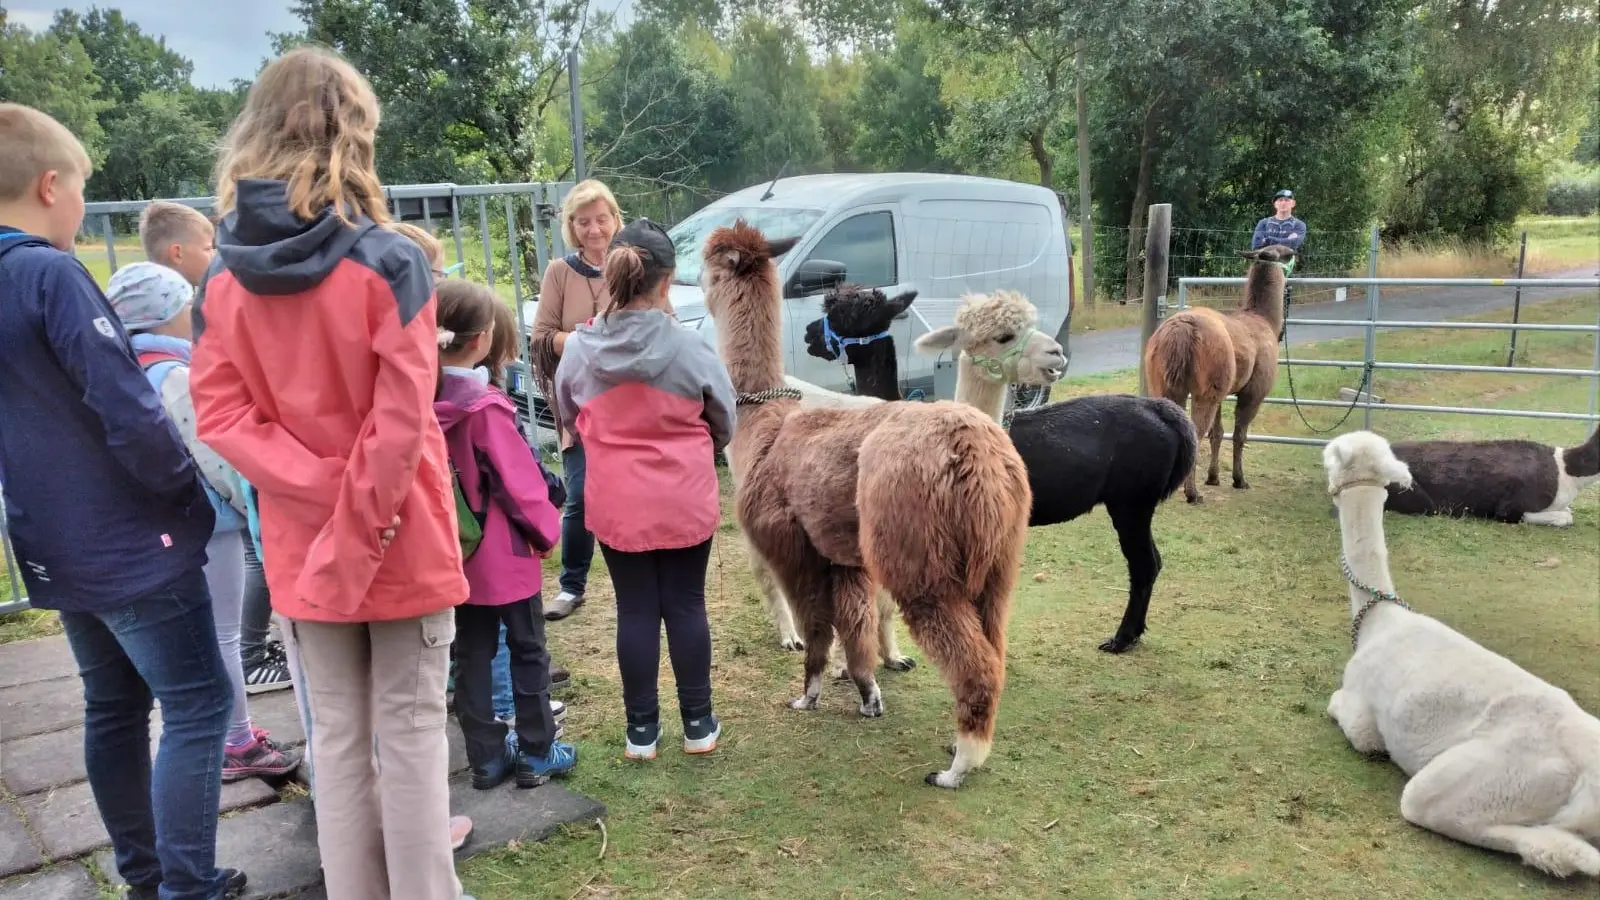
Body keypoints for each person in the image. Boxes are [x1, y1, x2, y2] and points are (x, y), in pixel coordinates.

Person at [187, 48, 471, 900]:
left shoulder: (219, 276)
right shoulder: (389, 260)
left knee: (339, 742)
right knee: (413, 734)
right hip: (397, 538)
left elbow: (223, 417)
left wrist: (314, 493)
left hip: (302, 545)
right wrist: (354, 516)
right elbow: (401, 424)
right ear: (356, 131)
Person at [0, 102, 247, 900]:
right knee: (199, 701)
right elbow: (130, 410)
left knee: (112, 705)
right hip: (131, 542)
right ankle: (187, 882)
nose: (79, 203)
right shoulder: (48, 272)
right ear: (49, 186)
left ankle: (146, 875)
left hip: (52, 541)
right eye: (78, 187)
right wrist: (184, 491)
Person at [104, 262, 302, 784]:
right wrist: (250, 507)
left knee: (211, 631)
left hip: (165, 524)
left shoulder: (127, 363)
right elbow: (212, 453)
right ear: (170, 313)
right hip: (209, 522)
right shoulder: (171, 371)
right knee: (226, 635)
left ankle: (228, 732)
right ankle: (236, 740)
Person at [554, 219, 735, 760]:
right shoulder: (689, 347)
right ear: (667, 281)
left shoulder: (581, 350)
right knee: (685, 605)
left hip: (615, 500)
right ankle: (698, 724)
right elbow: (724, 417)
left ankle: (641, 732)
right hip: (684, 496)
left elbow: (566, 412)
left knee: (634, 609)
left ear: (612, 276)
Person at [140, 202, 293, 696]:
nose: (216, 255)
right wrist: (242, 488)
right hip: (222, 494)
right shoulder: (174, 348)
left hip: (199, 501)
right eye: (208, 247)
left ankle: (248, 649)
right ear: (178, 252)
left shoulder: (154, 337)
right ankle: (250, 654)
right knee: (256, 561)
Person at [434, 280, 576, 787]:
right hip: (506, 555)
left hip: (456, 553)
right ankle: (538, 752)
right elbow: (520, 486)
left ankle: (487, 758)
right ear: (483, 338)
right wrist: (546, 531)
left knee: (471, 654)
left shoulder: (421, 402)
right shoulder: (486, 409)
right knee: (527, 648)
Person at [530, 179, 624, 621]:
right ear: (571, 226)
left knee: (631, 492)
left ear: (615, 220)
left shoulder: (633, 265)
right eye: (584, 221)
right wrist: (586, 338)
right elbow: (542, 337)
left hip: (630, 405)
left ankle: (634, 580)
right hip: (580, 405)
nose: (594, 229)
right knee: (581, 494)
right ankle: (572, 586)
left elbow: (661, 322)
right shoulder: (558, 272)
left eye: (601, 219)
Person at [1251, 188, 1306, 339]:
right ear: (1275, 204)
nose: (1283, 203)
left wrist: (1268, 241)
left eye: (1287, 200)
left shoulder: (1299, 225)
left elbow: (1294, 245)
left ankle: (1278, 328)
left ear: (1293, 203)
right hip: (1263, 267)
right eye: (1280, 200)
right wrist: (1285, 243)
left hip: (1283, 269)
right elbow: (1256, 246)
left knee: (1280, 305)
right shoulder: (1264, 223)